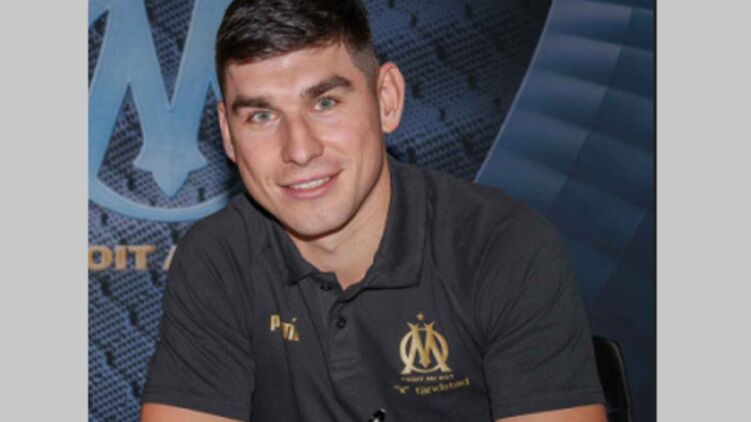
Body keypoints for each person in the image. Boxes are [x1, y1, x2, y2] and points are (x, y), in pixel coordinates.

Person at [140, 0, 607, 421]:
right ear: (228, 134)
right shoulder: (218, 259)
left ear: (387, 99)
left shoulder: (503, 248)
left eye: (325, 102)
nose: (299, 149)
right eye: (262, 116)